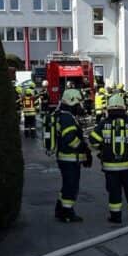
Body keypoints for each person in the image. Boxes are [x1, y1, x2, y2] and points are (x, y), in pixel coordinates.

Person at [89, 93, 128, 224]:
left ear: (108, 109)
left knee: (114, 192)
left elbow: (93, 141)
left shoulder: (103, 124)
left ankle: (116, 217)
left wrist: (103, 148)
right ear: (123, 108)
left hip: (110, 166)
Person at [52, 88, 92, 222]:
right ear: (72, 102)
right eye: (79, 102)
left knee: (67, 185)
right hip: (69, 158)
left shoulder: (64, 115)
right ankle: (67, 213)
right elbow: (69, 138)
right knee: (71, 186)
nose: (81, 106)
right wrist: (83, 149)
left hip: (67, 158)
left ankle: (60, 209)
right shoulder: (67, 117)